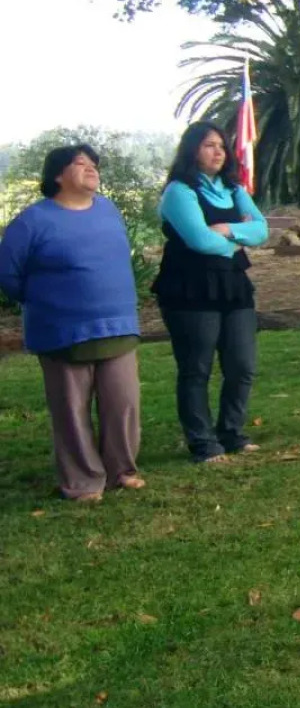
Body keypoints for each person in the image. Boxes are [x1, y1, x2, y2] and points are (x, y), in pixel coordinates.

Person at [0, 145, 144, 500]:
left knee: (123, 403)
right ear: (57, 176)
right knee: (71, 411)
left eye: (93, 164)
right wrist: (50, 300)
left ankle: (121, 470)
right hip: (61, 332)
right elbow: (8, 274)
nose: (91, 168)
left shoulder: (108, 210)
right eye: (80, 163)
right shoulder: (32, 221)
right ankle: (83, 482)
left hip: (118, 326)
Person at [153, 122, 269, 462]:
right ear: (192, 150)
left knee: (242, 365)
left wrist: (228, 229)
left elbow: (261, 230)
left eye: (221, 145)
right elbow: (199, 240)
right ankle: (203, 442)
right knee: (196, 368)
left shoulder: (233, 189)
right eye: (208, 145)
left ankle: (231, 432)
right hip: (190, 288)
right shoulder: (180, 191)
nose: (218, 151)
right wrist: (236, 241)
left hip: (233, 286)